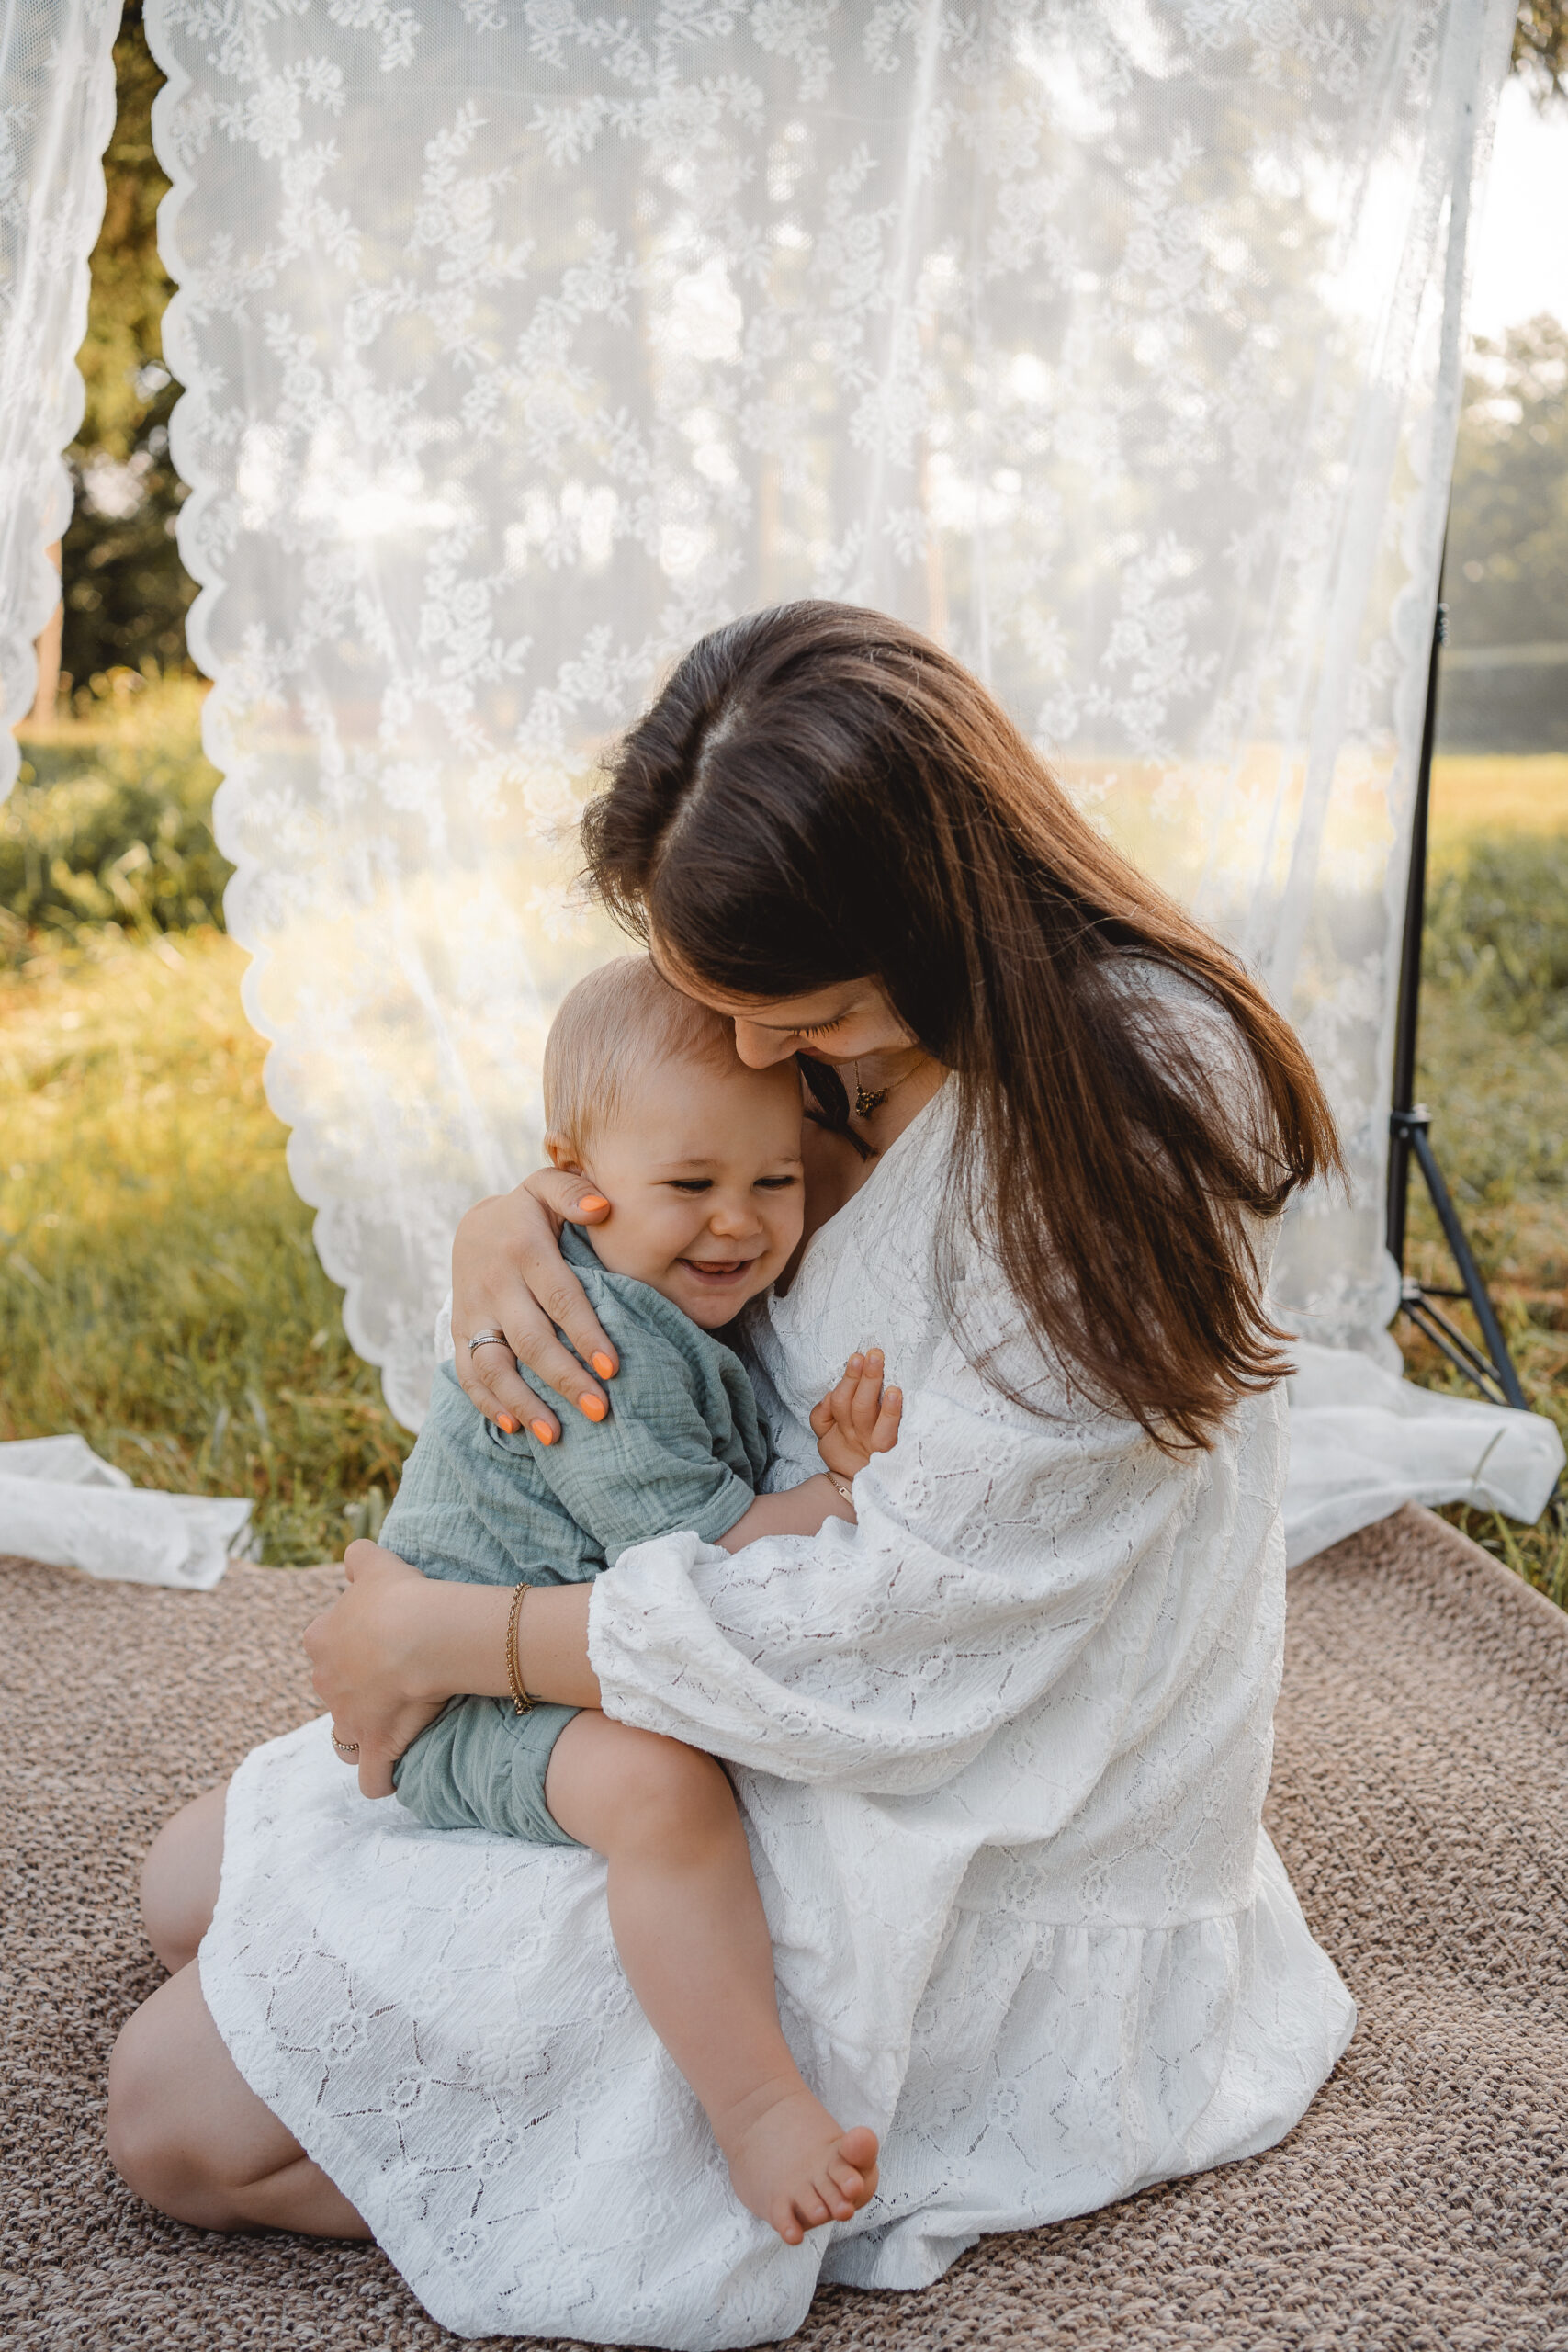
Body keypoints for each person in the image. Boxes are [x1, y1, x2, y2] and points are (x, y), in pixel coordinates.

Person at [107, 603, 1357, 2352]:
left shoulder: (1108, 1132)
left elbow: (900, 1652)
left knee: (173, 2125)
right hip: (736, 1653)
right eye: (735, 1009)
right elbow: (710, 1224)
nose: (769, 1062)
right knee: (192, 1889)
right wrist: (520, 1230)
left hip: (955, 1785)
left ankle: (702, 2134)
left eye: (802, 1013)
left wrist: (463, 1641)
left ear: (932, 914)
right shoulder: (875, 1037)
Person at [377, 954, 898, 2242]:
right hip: (464, 1700)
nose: (740, 1223)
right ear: (574, 1178)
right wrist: (835, 1493)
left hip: (523, 1649)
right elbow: (697, 1554)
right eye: (691, 1187)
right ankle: (759, 2111)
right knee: (666, 1793)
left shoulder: (650, 1285)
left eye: (773, 1181)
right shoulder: (598, 1343)